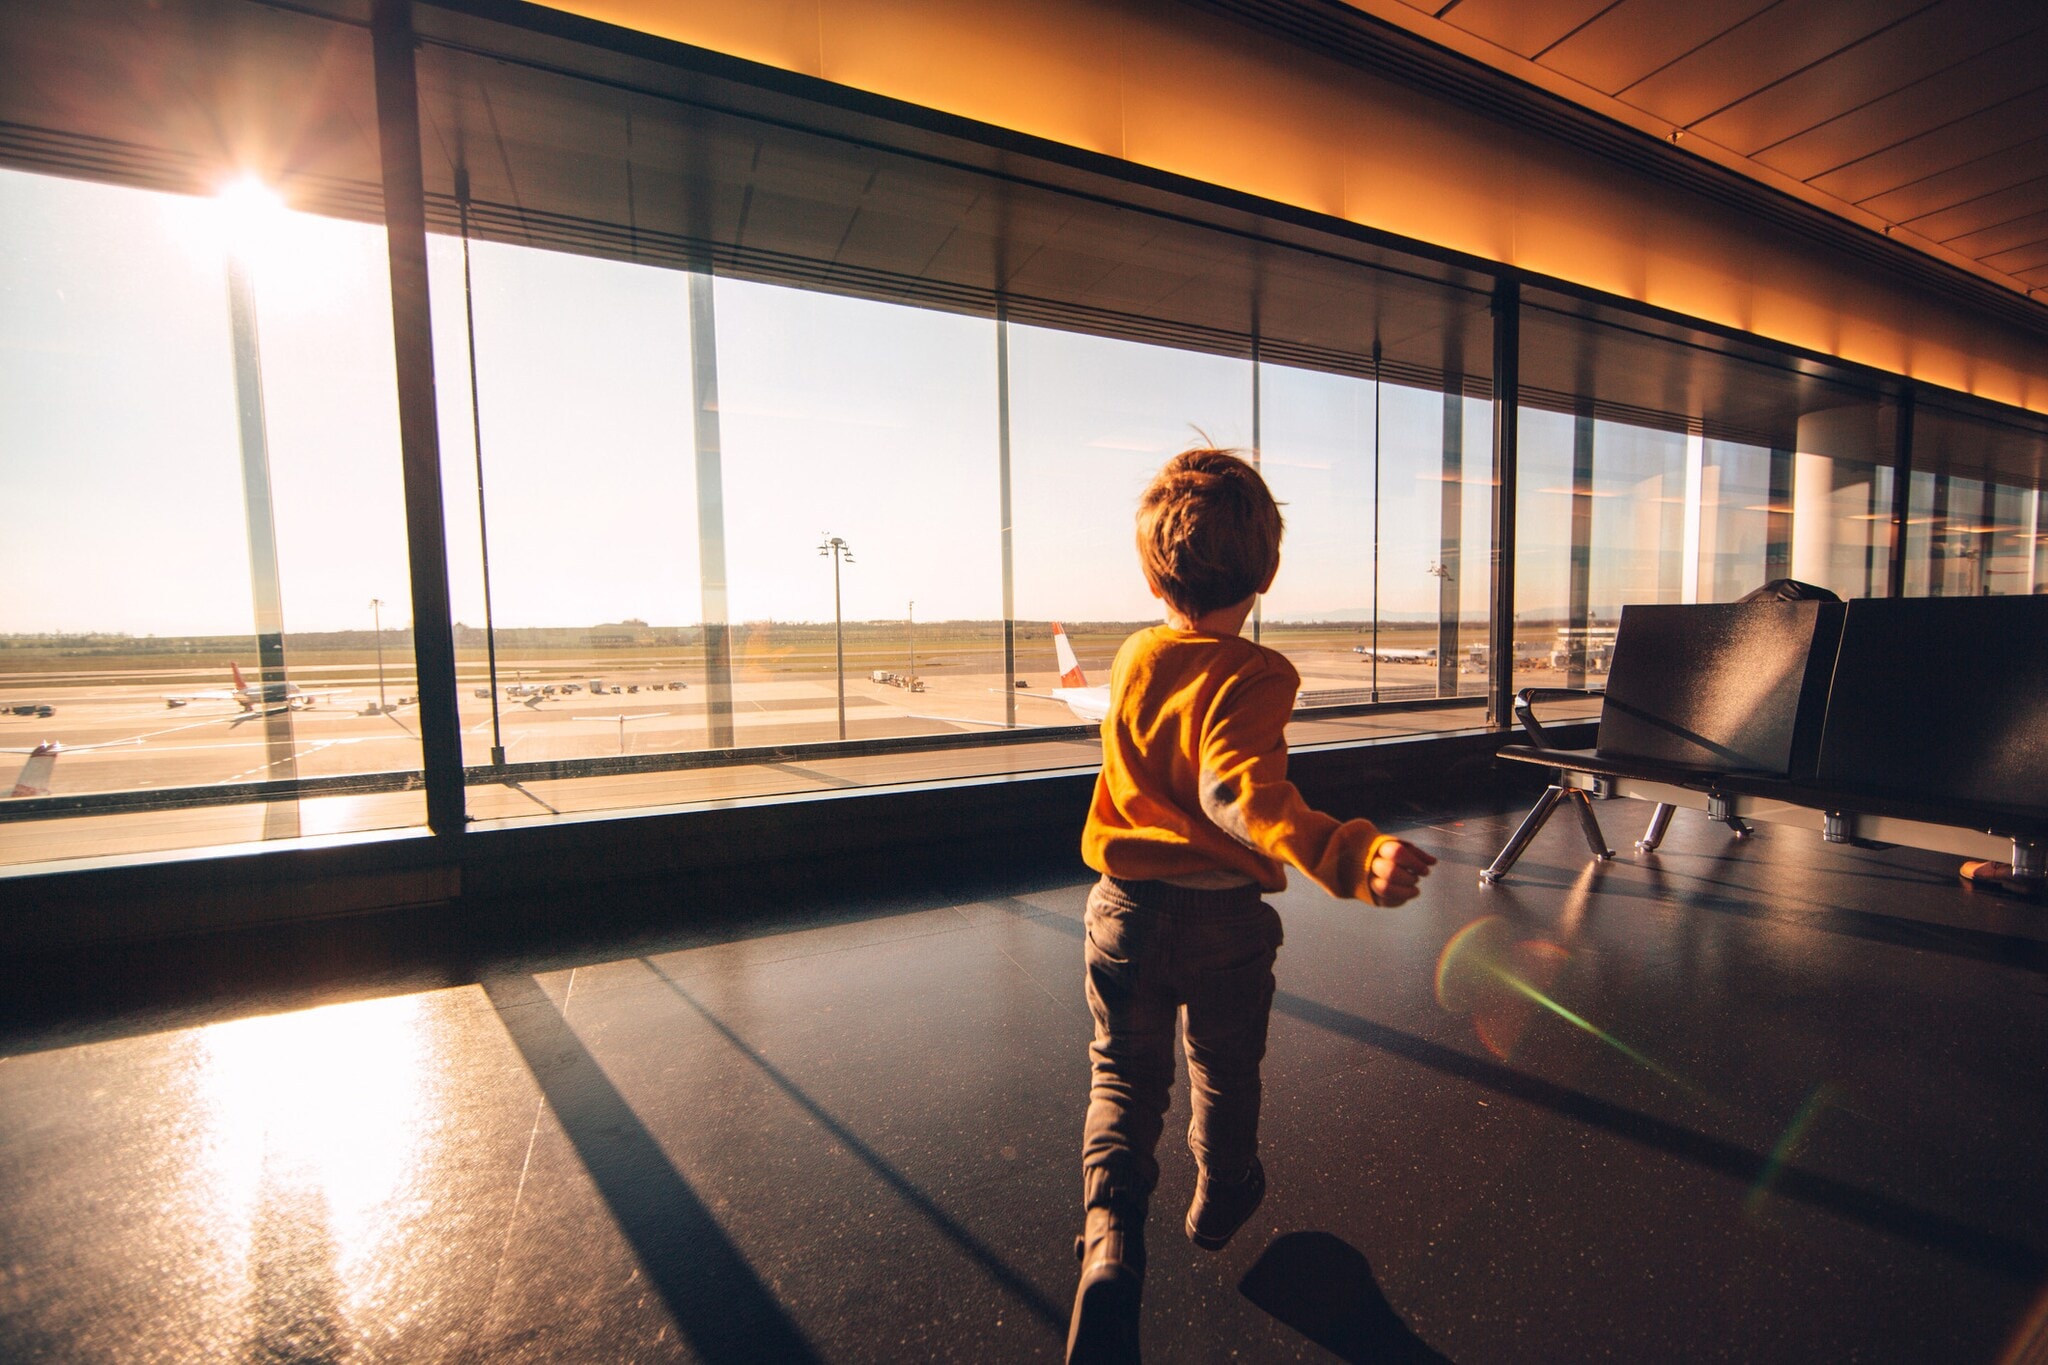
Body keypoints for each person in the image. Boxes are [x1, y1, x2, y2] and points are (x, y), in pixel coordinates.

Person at [1065, 447, 1437, 1363]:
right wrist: (1349, 854)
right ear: (1267, 573)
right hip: (1224, 921)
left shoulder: (1135, 655)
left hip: (1124, 910)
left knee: (1122, 1077)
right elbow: (1240, 794)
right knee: (1224, 1073)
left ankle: (1110, 1238)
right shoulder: (1258, 673)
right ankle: (1222, 1190)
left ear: (1152, 571)